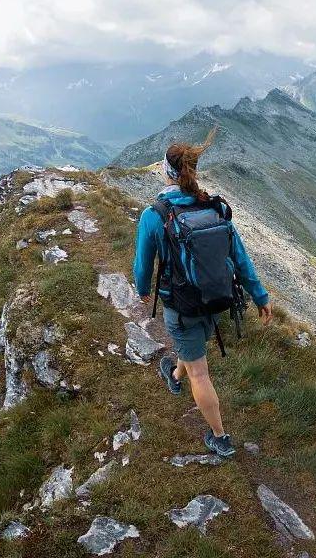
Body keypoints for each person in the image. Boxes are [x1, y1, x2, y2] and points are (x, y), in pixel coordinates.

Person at [133, 129, 272, 458]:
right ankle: (174, 372)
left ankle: (220, 437)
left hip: (181, 304)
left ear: (166, 172)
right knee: (190, 348)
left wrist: (142, 290)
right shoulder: (214, 207)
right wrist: (260, 296)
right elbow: (239, 257)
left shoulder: (155, 215)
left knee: (200, 371)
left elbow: (142, 263)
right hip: (215, 299)